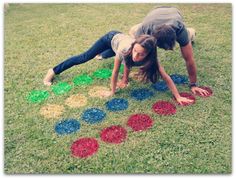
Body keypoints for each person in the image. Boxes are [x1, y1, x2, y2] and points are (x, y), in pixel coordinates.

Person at [43, 31, 193, 104]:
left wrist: (178, 96)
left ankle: (102, 55)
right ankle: (53, 70)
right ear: (133, 46)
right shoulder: (125, 50)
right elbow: (115, 72)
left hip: (119, 45)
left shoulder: (152, 59)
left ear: (149, 54)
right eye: (135, 51)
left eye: (141, 55)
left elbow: (166, 77)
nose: (136, 56)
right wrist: (112, 91)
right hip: (111, 38)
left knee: (117, 57)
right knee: (86, 56)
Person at [98, 6, 209, 96]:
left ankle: (192, 33)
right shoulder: (145, 30)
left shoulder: (180, 31)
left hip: (174, 12)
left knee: (187, 40)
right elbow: (129, 56)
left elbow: (189, 60)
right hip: (155, 13)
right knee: (133, 35)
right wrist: (124, 79)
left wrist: (193, 84)